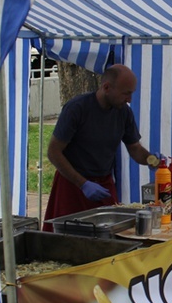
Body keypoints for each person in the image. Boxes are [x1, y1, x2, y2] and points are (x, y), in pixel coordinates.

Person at [42, 64, 161, 230]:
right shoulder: (77, 108)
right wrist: (83, 184)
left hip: (104, 184)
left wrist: (152, 160)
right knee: (67, 235)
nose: (129, 99)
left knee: (110, 233)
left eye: (131, 93)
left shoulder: (124, 113)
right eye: (126, 93)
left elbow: (134, 148)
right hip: (72, 184)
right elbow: (53, 152)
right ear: (106, 87)